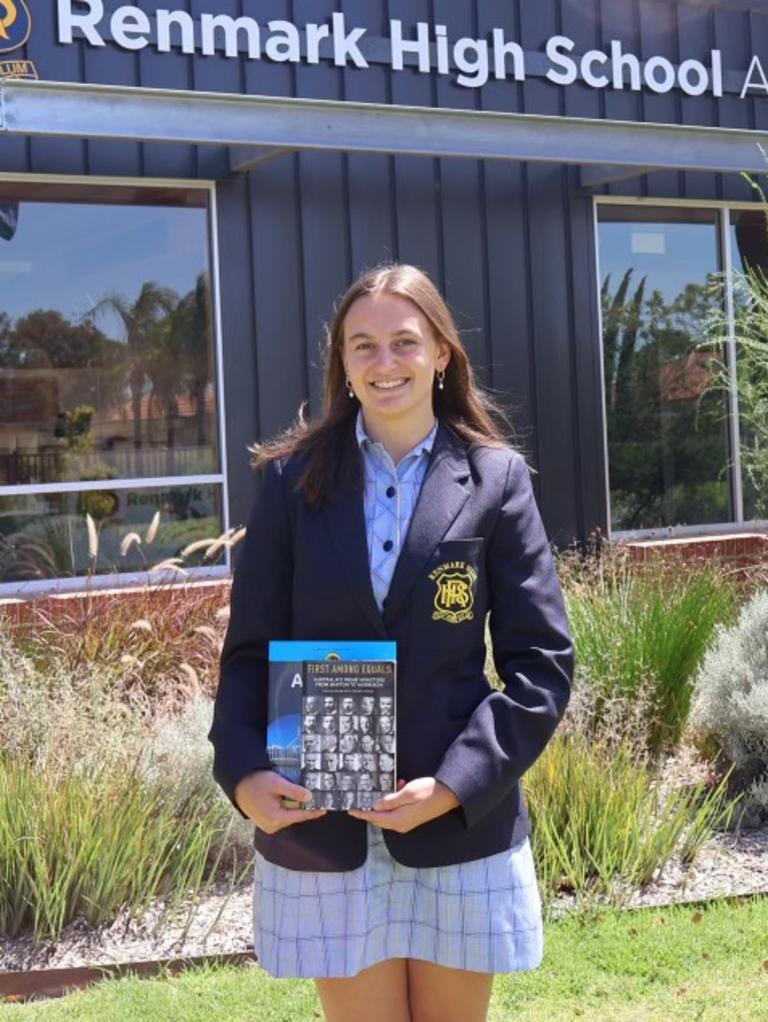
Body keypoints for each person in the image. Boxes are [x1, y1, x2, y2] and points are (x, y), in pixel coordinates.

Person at [209, 263, 574, 1022]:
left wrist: (450, 788)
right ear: (341, 361)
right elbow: (249, 651)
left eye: (403, 342)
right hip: (323, 825)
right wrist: (243, 774)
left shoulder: (496, 479)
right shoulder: (290, 481)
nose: (384, 364)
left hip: (454, 821)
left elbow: (541, 666)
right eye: (362, 345)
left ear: (441, 352)